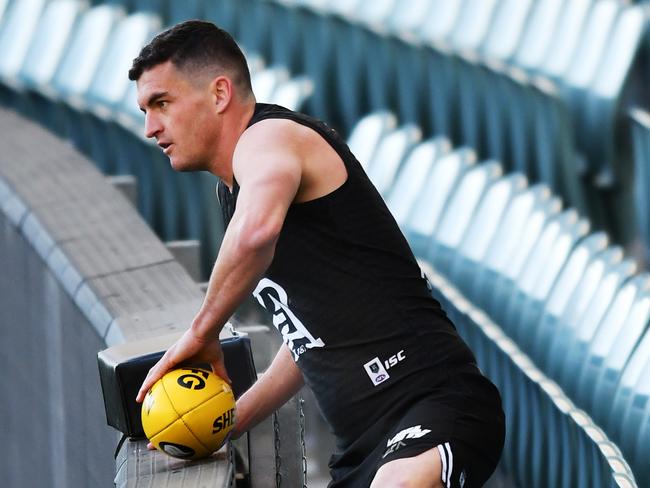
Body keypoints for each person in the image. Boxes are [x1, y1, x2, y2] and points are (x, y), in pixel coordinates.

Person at [131, 20, 505, 488]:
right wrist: (228, 421)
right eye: (145, 110)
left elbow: (255, 236)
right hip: (364, 448)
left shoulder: (269, 139)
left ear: (220, 93)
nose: (150, 128)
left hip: (434, 405)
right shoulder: (238, 189)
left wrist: (201, 332)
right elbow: (309, 339)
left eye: (161, 104)